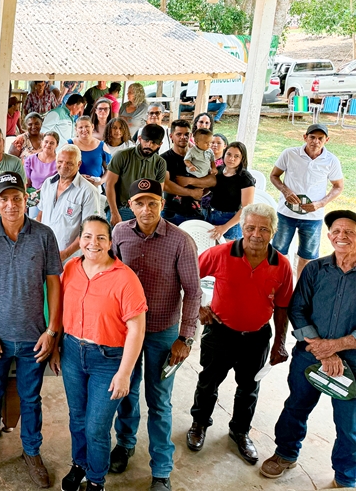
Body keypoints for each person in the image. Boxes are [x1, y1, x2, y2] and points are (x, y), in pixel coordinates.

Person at [0, 171, 63, 488]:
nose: (11, 205)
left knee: (30, 398)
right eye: (4, 199)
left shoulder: (44, 235)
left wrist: (52, 331)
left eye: (17, 198)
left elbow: (54, 285)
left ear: (26, 199)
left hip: (34, 337)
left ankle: (31, 452)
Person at [109, 179, 201, 491]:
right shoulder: (120, 233)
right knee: (126, 390)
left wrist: (185, 337)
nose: (146, 209)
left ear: (162, 204)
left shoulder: (180, 241)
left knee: (159, 401)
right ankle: (125, 444)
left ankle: (161, 469)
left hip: (163, 333)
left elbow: (193, 291)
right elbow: (111, 275)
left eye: (152, 202)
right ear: (130, 206)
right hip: (126, 331)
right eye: (139, 203)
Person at [187, 203, 293, 466]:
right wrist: (199, 307)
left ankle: (240, 431)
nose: (256, 234)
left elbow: (282, 307)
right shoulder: (220, 253)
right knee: (208, 382)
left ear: (273, 232)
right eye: (250, 228)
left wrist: (279, 343)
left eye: (264, 229)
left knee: (249, 388)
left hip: (257, 338)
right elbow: (188, 278)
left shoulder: (282, 264)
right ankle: (199, 423)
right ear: (242, 228)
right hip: (220, 332)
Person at [260, 209, 356, 488]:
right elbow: (298, 309)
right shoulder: (315, 268)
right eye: (336, 231)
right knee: (296, 406)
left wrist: (336, 346)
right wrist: (322, 349)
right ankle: (285, 454)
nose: (341, 236)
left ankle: (346, 475)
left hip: (352, 360)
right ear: (329, 236)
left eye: (349, 232)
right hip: (310, 354)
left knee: (349, 424)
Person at [60, 216, 147, 491]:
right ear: (80, 240)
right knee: (77, 417)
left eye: (100, 238)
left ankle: (96, 480)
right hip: (72, 352)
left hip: (108, 360)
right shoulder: (71, 268)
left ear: (110, 243)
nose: (93, 243)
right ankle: (79, 464)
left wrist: (124, 373)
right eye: (87, 236)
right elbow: (60, 309)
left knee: (96, 426)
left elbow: (136, 329)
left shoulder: (125, 278)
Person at [271, 123, 345, 278]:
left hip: (313, 217)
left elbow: (338, 186)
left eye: (320, 138)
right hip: (286, 213)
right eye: (312, 137)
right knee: (278, 253)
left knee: (307, 257)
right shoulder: (289, 154)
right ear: (305, 137)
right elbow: (274, 175)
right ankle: (277, 285)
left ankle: (300, 288)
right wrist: (285, 190)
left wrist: (321, 203)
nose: (315, 141)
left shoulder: (331, 160)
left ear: (326, 140)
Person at [38, 144, 101, 261]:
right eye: (60, 161)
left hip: (71, 258)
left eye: (69, 163)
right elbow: (41, 214)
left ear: (79, 164)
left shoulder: (88, 191)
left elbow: (89, 230)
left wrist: (65, 254)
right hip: (44, 252)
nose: (63, 166)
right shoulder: (48, 183)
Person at [103, 124, 166, 224]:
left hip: (146, 210)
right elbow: (109, 185)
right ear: (140, 139)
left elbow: (158, 192)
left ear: (160, 145)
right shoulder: (122, 156)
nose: (149, 145)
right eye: (146, 141)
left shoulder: (160, 163)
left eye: (153, 143)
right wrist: (114, 212)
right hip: (121, 208)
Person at [161, 119, 215, 226]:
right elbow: (166, 185)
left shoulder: (201, 154)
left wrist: (190, 181)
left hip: (195, 211)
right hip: (171, 213)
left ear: (191, 136)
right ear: (171, 136)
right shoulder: (164, 158)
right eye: (179, 134)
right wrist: (191, 192)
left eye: (186, 134)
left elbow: (212, 180)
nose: (183, 137)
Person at [206, 141, 256, 241]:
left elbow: (246, 209)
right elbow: (209, 190)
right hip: (211, 215)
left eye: (236, 156)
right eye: (228, 154)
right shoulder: (218, 170)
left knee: (228, 250)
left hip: (231, 221)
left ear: (242, 159)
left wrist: (225, 227)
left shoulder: (245, 178)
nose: (231, 158)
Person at [68, 116, 110, 187]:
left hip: (95, 188)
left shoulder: (102, 146)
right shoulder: (69, 145)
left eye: (87, 126)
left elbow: (110, 170)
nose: (84, 130)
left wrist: (100, 181)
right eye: (80, 127)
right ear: (76, 129)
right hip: (73, 186)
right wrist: (77, 177)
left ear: (92, 127)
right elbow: (61, 167)